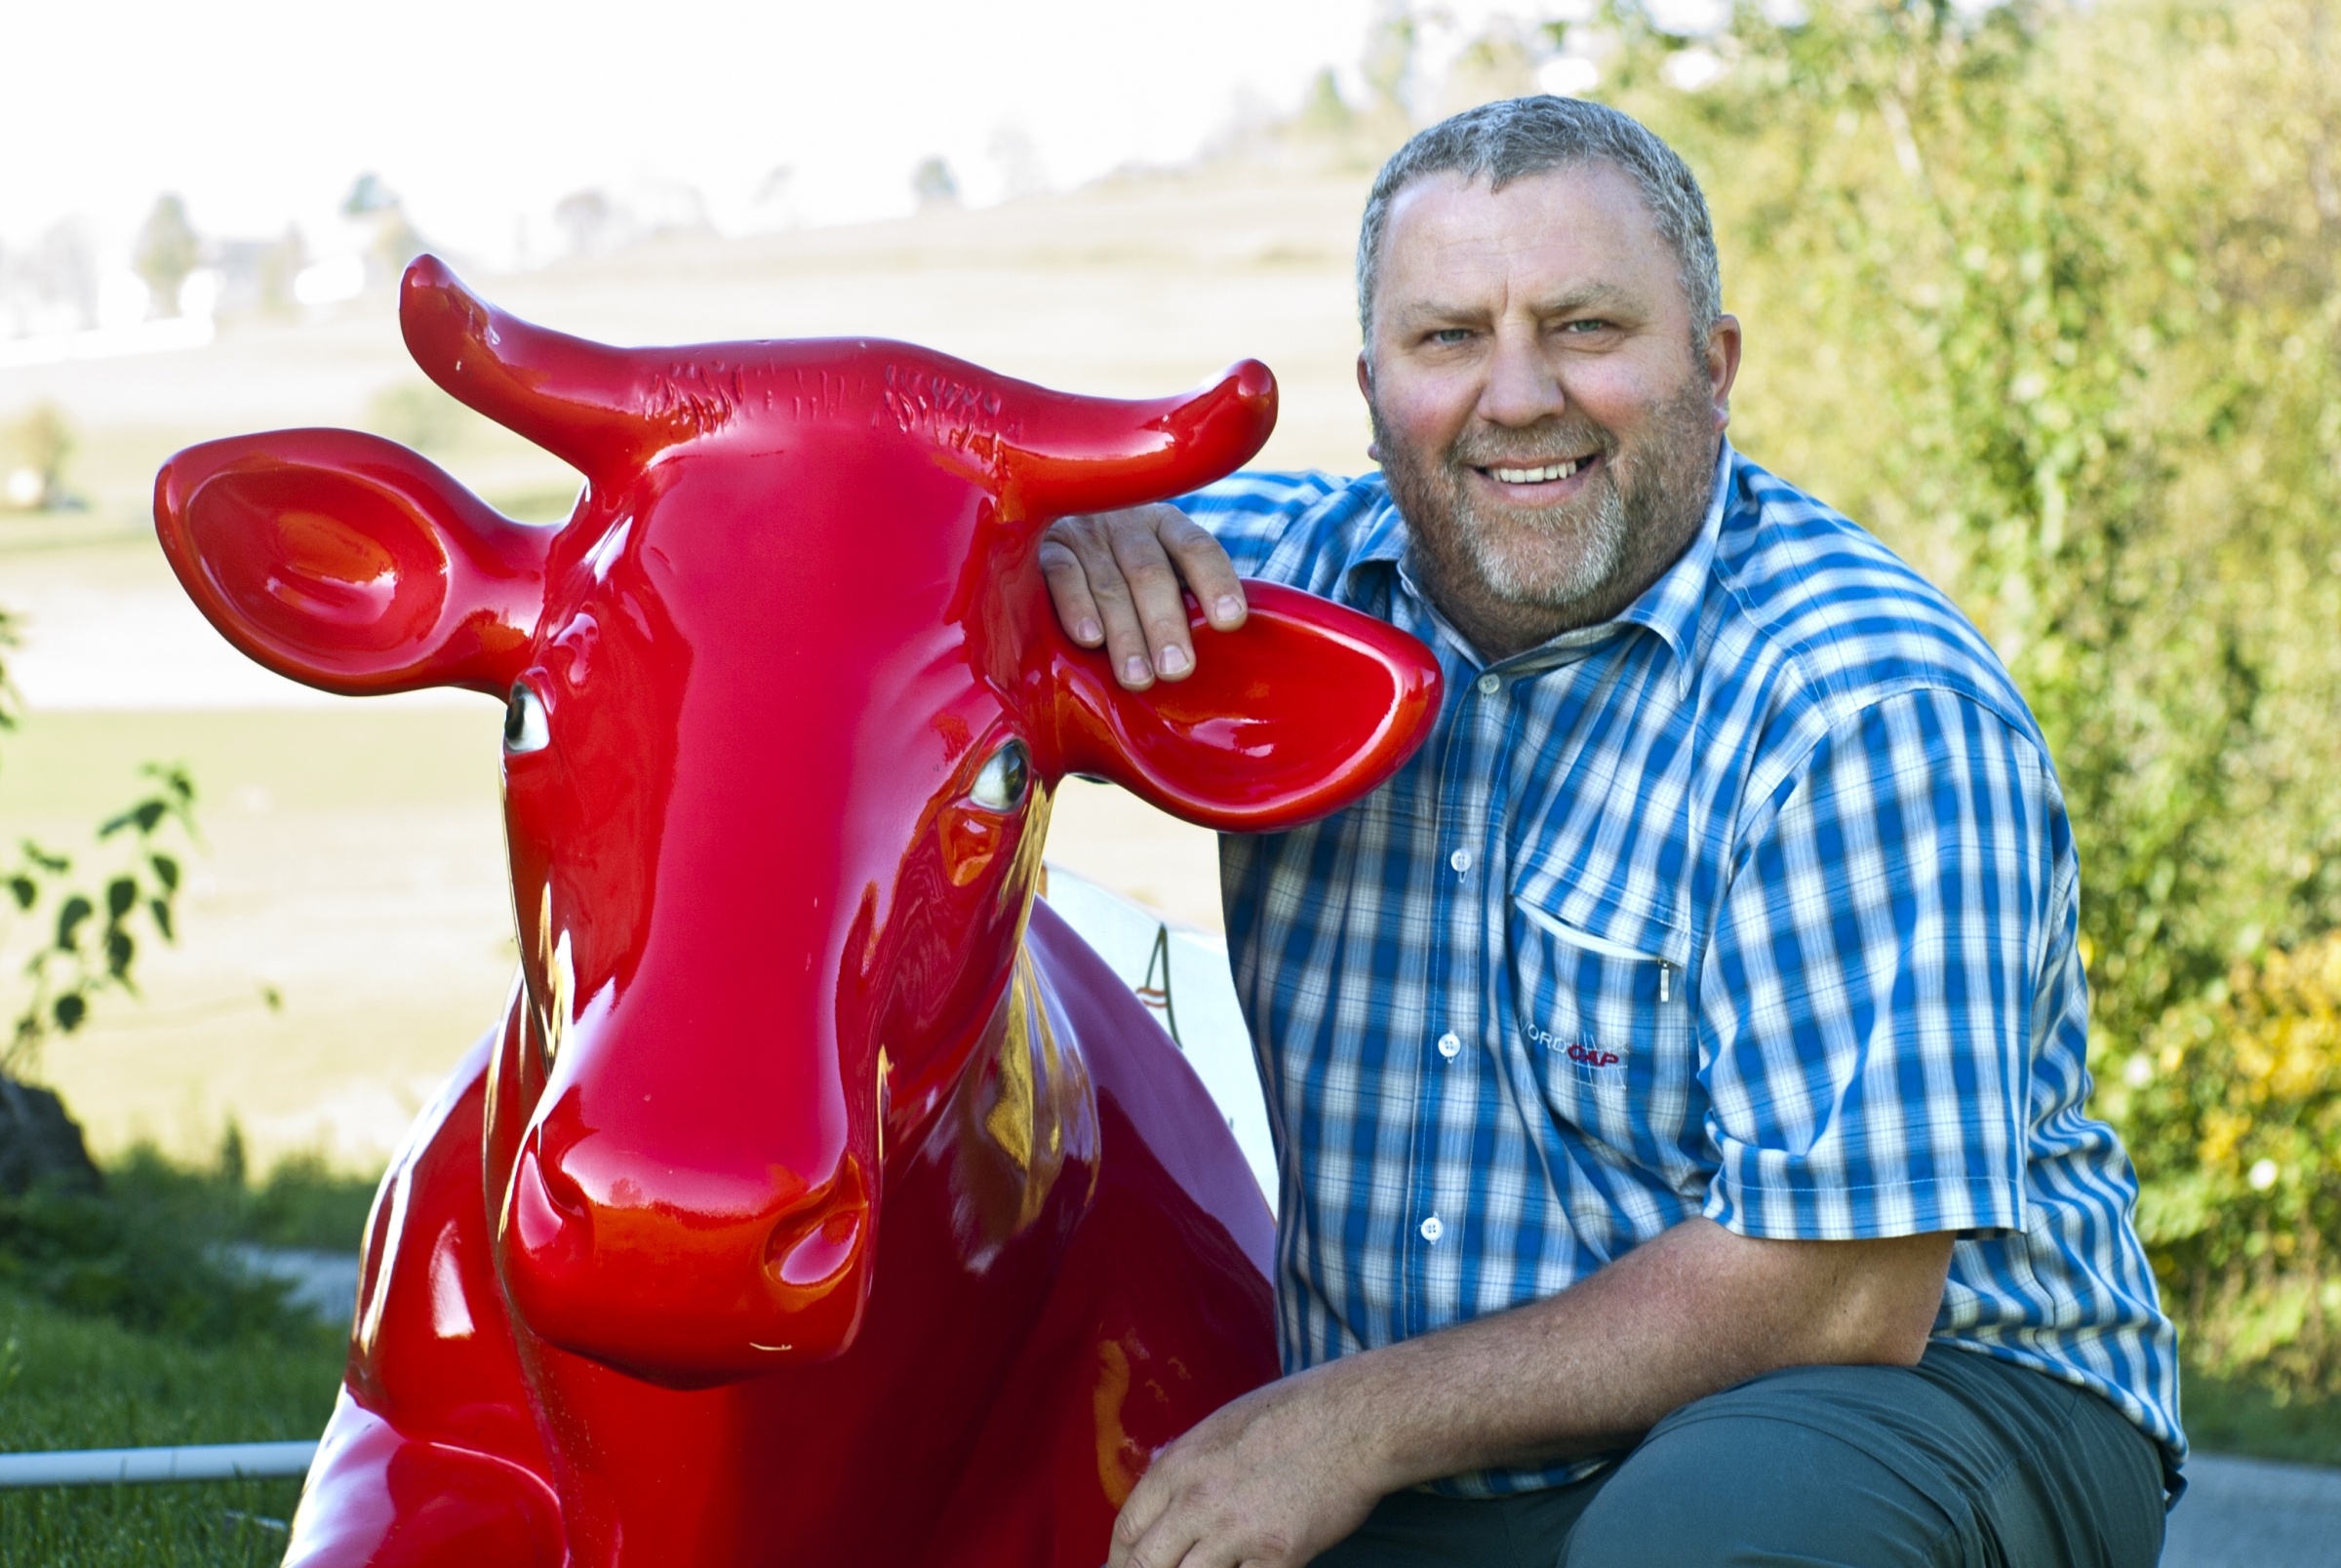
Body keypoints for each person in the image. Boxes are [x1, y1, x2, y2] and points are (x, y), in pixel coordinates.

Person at [1038, 97, 2181, 1568]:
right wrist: (1068, 541)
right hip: (1479, 1452)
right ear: (1376, 385)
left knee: (1717, 1535)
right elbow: (887, 607)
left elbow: (1838, 1297)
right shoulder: (1246, 605)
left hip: (1919, 1410)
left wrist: (1345, 1425)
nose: (1517, 396)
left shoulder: (1862, 704)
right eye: (1449, 338)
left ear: (1715, 368)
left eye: (1584, 326)